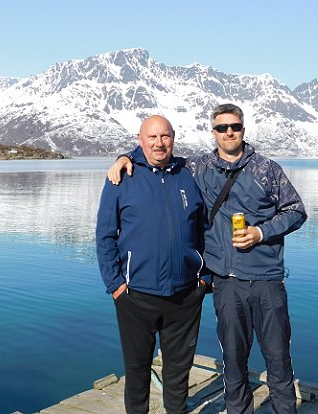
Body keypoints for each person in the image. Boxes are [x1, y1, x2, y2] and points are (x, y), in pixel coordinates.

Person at [108, 104, 307, 414]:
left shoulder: (267, 169)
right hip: (225, 281)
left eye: (235, 127)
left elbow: (296, 211)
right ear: (213, 133)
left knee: (278, 359)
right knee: (233, 362)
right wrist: (125, 157)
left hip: (267, 278)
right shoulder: (199, 167)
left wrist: (260, 233)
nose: (229, 132)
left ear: (243, 130)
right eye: (222, 128)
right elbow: (157, 154)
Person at [96, 115, 209, 414]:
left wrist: (204, 279)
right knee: (137, 371)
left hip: (185, 296)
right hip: (136, 296)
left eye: (165, 136)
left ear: (173, 138)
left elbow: (204, 230)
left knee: (178, 373)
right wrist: (116, 286)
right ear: (140, 139)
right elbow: (105, 235)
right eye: (152, 137)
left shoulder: (189, 176)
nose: (159, 143)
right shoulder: (122, 178)